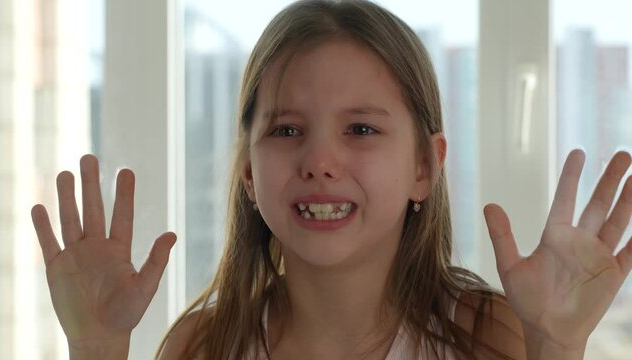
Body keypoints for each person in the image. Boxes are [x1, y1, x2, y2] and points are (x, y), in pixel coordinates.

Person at [31, 0, 632, 359]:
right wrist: (96, 350)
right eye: (288, 130)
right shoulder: (203, 347)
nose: (319, 161)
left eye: (361, 130)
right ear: (247, 173)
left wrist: (555, 346)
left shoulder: (488, 335)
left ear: (425, 166)